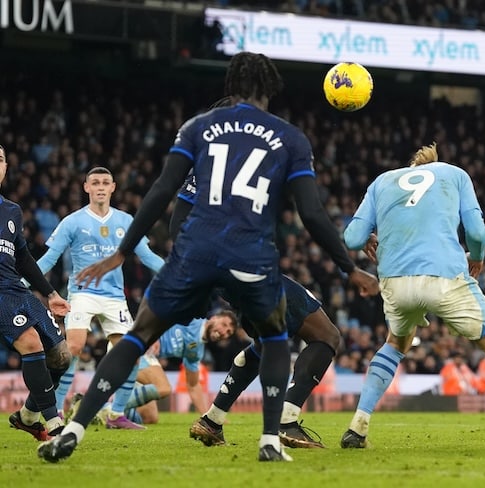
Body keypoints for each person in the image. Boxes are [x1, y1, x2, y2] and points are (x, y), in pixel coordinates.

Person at [38, 51, 379, 463]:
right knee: (288, 338)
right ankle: (272, 438)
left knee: (135, 338)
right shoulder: (289, 138)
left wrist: (124, 251)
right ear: (269, 87)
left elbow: (163, 194)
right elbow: (311, 214)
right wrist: (349, 267)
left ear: (229, 85)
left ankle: (73, 430)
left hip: (195, 254)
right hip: (251, 259)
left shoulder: (199, 129)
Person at [340, 142, 485, 452]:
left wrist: (368, 236)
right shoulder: (455, 174)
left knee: (395, 345)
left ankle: (358, 425)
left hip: (394, 281)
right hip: (444, 276)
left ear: (411, 167)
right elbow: (477, 233)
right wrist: (477, 256)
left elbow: (352, 238)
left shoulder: (382, 181)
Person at [172, 176, 344, 449]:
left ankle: (212, 421)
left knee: (263, 346)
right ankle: (287, 422)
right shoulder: (237, 164)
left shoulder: (199, 174)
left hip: (228, 278)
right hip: (252, 272)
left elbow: (177, 227)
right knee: (327, 336)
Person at [36, 166, 164, 429]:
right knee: (74, 346)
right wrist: (23, 280)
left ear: (113, 187)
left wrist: (182, 273)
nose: (101, 187)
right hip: (82, 292)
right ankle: (57, 411)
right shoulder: (72, 221)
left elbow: (148, 257)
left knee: (132, 355)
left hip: (115, 296)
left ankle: (116, 415)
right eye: (95, 183)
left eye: (106, 182)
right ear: (86, 188)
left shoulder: (126, 221)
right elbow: (49, 258)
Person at [0, 144, 71, 441]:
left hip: (15, 289)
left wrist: (51, 292)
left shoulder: (11, 210)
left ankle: (28, 416)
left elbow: (23, 258)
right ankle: (55, 425)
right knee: (31, 343)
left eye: (0, 158)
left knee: (61, 357)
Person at [117, 309, 238, 425]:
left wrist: (210, 417)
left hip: (147, 358)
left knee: (150, 417)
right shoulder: (191, 317)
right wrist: (152, 335)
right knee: (163, 387)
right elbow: (160, 310)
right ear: (213, 318)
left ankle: (110, 413)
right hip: (137, 344)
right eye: (224, 324)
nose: (224, 332)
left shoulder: (196, 351)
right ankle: (113, 409)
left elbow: (193, 385)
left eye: (228, 332)